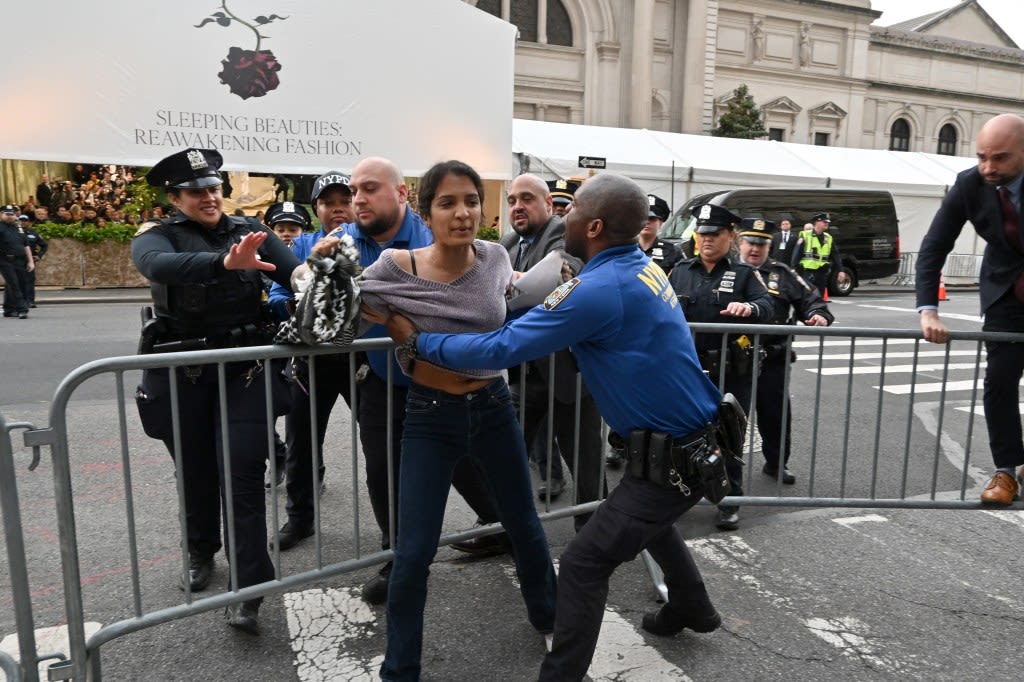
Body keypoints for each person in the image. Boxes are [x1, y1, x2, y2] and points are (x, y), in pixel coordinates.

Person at [383, 173, 724, 682]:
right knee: (649, 518)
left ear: (596, 225)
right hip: (687, 444)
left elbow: (501, 348)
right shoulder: (638, 267)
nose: (566, 217)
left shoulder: (598, 288)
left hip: (671, 455)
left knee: (586, 563)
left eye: (576, 208)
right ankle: (693, 608)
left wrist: (419, 343)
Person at [331, 159, 558, 682]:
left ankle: (549, 616)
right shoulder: (394, 265)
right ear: (426, 210)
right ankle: (399, 669)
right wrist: (322, 268)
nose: (462, 213)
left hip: (495, 407)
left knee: (524, 524)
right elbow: (341, 297)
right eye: (448, 203)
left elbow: (515, 294)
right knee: (413, 551)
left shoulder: (496, 257)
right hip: (430, 416)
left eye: (472, 201)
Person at [307, 158, 508, 603]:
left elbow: (493, 289)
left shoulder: (430, 238)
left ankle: (503, 525)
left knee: (464, 462)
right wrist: (317, 275)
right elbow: (319, 310)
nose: (357, 199)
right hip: (380, 379)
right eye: (355, 189)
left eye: (370, 189)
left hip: (444, 384)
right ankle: (398, 557)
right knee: (382, 471)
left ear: (402, 195)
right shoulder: (343, 243)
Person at [131, 148, 300, 635]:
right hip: (183, 370)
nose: (208, 197)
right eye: (196, 191)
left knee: (243, 471)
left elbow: (293, 270)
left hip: (245, 369)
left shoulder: (253, 231)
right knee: (196, 469)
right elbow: (159, 266)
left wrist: (318, 277)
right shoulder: (157, 236)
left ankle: (250, 589)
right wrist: (223, 262)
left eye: (213, 188)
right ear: (175, 196)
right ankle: (200, 549)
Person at [916, 113, 1024, 506]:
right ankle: (1007, 471)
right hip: (1005, 295)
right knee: (999, 382)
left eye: (999, 158)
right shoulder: (970, 183)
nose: (988, 168)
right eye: (981, 157)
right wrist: (928, 310)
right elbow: (933, 246)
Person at [504, 173, 605, 526]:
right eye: (513, 200)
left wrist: (506, 283)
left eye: (527, 198)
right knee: (506, 455)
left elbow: (563, 271)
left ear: (549, 204)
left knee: (586, 463)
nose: (518, 206)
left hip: (569, 373)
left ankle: (593, 532)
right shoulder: (507, 243)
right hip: (524, 373)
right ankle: (503, 526)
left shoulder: (561, 233)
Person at [267, 174, 359, 552]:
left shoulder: (367, 242)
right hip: (310, 363)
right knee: (301, 446)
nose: (337, 208)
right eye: (328, 201)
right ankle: (300, 520)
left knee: (380, 444)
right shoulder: (301, 243)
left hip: (360, 361)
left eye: (344, 200)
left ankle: (395, 526)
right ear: (316, 208)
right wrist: (303, 302)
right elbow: (275, 294)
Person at [668, 203, 774, 530]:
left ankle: (729, 500)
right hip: (686, 368)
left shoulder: (743, 275)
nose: (706, 240)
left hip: (729, 370)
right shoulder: (682, 270)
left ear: (731, 235)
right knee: (682, 433)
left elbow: (767, 306)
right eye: (702, 234)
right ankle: (681, 494)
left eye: (714, 234)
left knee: (729, 435)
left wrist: (750, 307)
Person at [737, 217, 833, 485]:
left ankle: (777, 463)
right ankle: (721, 469)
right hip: (731, 358)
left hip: (772, 357)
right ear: (740, 243)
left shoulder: (782, 275)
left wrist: (817, 314)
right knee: (727, 415)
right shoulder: (728, 271)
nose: (755, 249)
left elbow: (811, 299)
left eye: (761, 244)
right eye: (750, 242)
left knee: (775, 413)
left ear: (769, 246)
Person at [792, 212, 847, 295]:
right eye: (824, 222)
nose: (827, 224)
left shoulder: (828, 237)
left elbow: (836, 255)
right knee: (807, 298)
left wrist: (841, 271)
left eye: (828, 222)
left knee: (819, 299)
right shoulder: (805, 235)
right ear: (817, 222)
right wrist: (794, 273)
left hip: (821, 273)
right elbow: (796, 256)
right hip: (807, 272)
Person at [0, 205, 33, 319]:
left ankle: (8, 309)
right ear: (2, 215)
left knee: (17, 284)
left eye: (12, 214)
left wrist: (30, 261)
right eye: (7, 214)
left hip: (19, 260)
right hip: (4, 260)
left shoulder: (18, 228)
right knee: (14, 284)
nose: (10, 216)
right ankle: (22, 309)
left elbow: (26, 245)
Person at [639, 193, 681, 274]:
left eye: (652, 219)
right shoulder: (626, 249)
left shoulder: (672, 251)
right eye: (644, 217)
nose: (647, 222)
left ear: (661, 222)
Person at [20, 215, 47, 308]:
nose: (23, 222)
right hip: (16, 259)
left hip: (29, 260)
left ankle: (30, 301)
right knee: (17, 281)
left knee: (30, 281)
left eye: (25, 221)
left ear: (29, 222)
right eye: (21, 220)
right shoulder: (14, 232)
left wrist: (39, 256)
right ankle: (20, 301)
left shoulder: (33, 233)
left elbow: (44, 245)